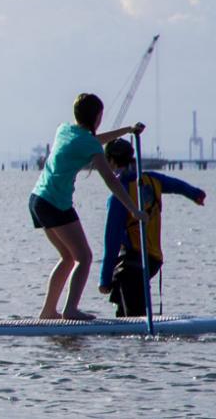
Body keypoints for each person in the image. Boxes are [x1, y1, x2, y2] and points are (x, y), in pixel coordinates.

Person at [30, 93, 146, 320]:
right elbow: (111, 179)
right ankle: (70, 310)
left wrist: (127, 130)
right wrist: (134, 209)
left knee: (67, 257)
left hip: (38, 200)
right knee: (84, 257)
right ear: (97, 117)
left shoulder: (64, 129)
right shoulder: (87, 142)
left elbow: (94, 141)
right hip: (55, 203)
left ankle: (48, 311)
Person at [98, 138, 205, 317]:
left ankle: (142, 339)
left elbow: (112, 239)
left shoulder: (119, 195)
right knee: (125, 313)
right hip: (153, 260)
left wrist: (104, 279)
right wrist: (196, 194)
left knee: (134, 320)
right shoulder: (152, 180)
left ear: (110, 161)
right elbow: (177, 185)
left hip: (132, 263)